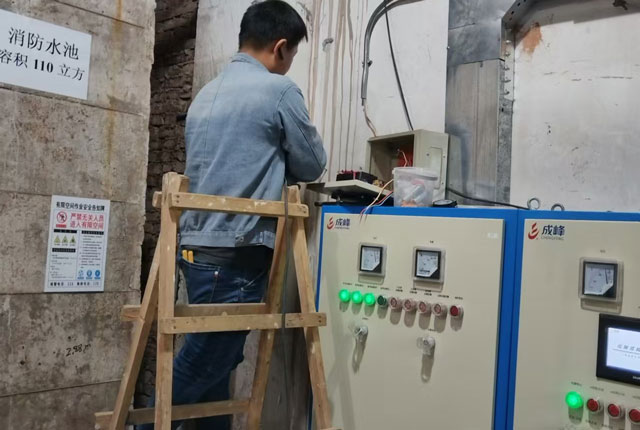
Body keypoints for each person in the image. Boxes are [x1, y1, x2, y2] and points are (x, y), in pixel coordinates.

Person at [139, 1, 326, 429]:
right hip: (237, 250)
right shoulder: (278, 91)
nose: (289, 63)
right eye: (292, 54)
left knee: (216, 370)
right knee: (203, 363)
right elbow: (313, 164)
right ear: (280, 47)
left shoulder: (206, 94)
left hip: (195, 248)